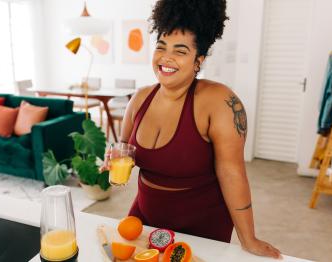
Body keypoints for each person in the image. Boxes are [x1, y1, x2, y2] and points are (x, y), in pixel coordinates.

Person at [102, 0, 281, 259]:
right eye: (161, 47)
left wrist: (248, 238)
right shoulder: (139, 99)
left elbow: (232, 172)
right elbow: (125, 150)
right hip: (145, 216)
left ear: (199, 60)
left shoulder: (219, 101)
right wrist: (116, 160)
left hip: (202, 226)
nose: (166, 57)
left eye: (180, 50)